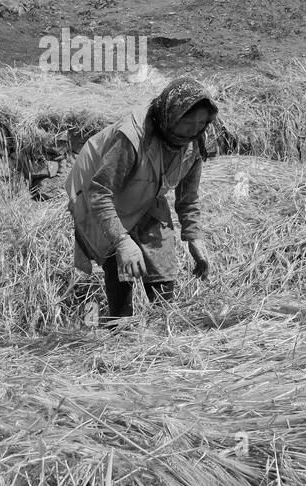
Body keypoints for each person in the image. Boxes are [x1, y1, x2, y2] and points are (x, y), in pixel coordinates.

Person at [66, 77, 217, 321]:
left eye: (202, 122)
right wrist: (122, 241)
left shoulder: (194, 143)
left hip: (144, 193)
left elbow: (188, 198)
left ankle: (164, 327)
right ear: (172, 113)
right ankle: (119, 328)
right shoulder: (132, 137)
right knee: (119, 264)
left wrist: (194, 237)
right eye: (189, 121)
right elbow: (100, 191)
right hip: (97, 195)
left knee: (162, 260)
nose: (195, 129)